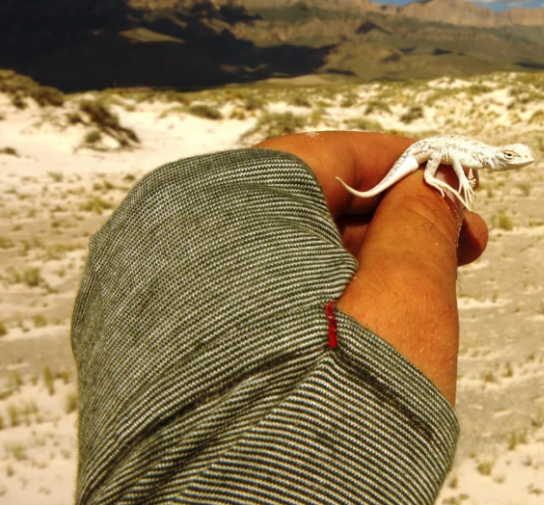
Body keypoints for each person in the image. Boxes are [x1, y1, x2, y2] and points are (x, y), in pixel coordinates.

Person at [72, 131, 486, 505]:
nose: (510, 160)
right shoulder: (453, 156)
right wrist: (436, 196)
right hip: (428, 157)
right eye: (505, 156)